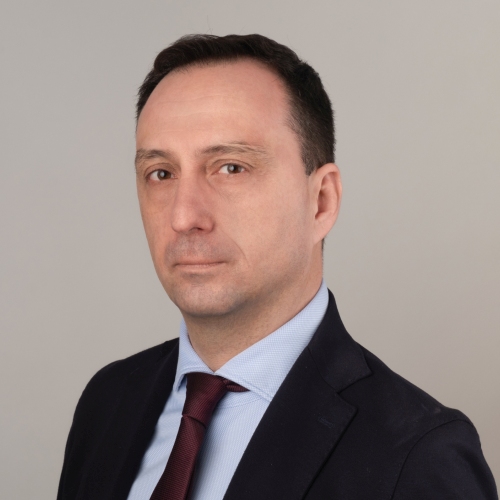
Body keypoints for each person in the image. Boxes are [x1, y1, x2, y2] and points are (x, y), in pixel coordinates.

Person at [57, 34, 498, 500]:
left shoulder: (419, 455)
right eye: (161, 173)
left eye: (231, 167)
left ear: (321, 202)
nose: (183, 216)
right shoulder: (108, 402)